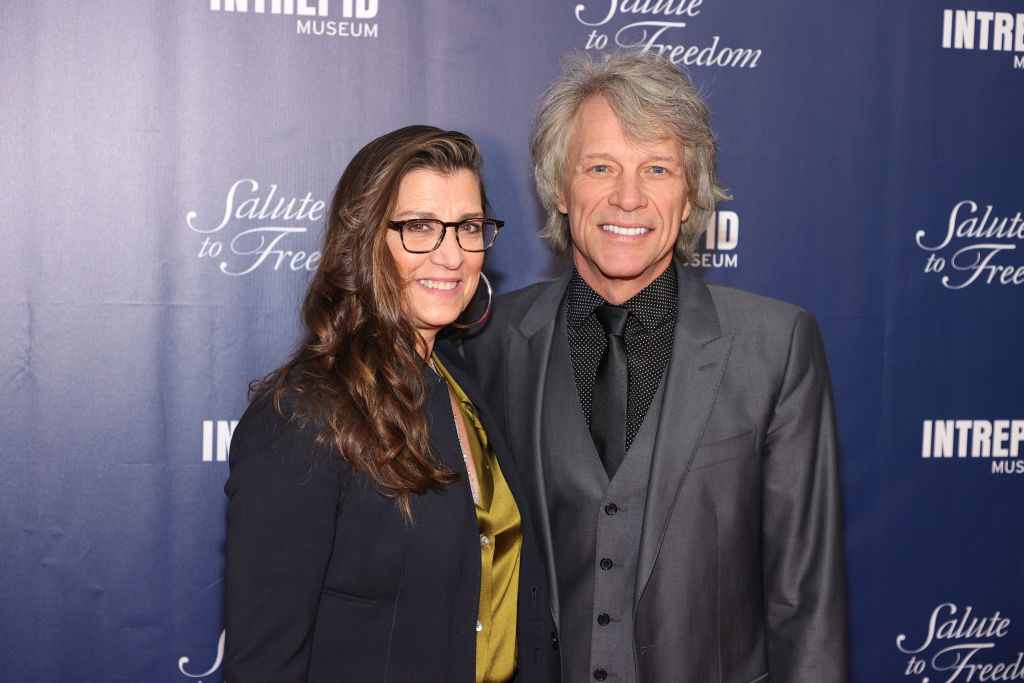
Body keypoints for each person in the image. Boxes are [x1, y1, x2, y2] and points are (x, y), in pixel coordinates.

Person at [465, 51, 848, 681]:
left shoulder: (775, 346)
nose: (628, 196)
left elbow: (805, 601)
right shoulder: (487, 340)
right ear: (560, 187)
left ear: (690, 190)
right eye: (600, 167)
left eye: (657, 168)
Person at [224, 125, 554, 682]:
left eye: (469, 227)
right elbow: (263, 665)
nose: (451, 255)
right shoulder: (301, 417)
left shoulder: (461, 383)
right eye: (421, 227)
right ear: (366, 239)